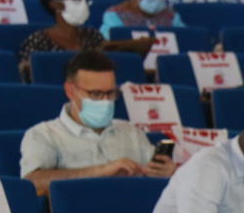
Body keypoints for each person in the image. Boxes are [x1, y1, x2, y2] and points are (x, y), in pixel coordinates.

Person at [19, 50, 175, 194]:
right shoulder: (44, 134)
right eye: (96, 94)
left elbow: (155, 175)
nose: (105, 101)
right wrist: (103, 171)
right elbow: (33, 183)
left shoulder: (131, 131)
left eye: (111, 93)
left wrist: (166, 172)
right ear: (70, 91)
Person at [16, 0, 153, 69]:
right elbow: (27, 73)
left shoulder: (94, 36)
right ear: (55, 4)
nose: (82, 2)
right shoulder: (37, 41)